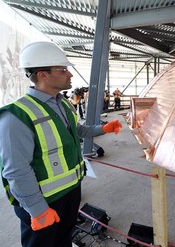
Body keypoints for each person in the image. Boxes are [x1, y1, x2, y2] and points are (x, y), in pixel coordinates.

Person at [0, 41, 122, 247]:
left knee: (64, 240)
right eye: (63, 69)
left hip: (71, 190)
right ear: (43, 75)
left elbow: (77, 130)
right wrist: (37, 209)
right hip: (43, 200)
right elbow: (17, 170)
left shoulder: (63, 103)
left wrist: (104, 128)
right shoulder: (17, 115)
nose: (70, 75)